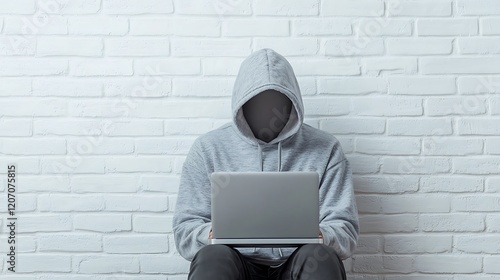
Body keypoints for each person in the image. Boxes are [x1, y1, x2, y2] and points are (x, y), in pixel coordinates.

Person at [173, 48, 359, 279]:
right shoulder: (208, 149)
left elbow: (345, 231)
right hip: (235, 264)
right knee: (213, 258)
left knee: (320, 257)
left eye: (278, 102)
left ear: (293, 104)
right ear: (241, 105)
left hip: (298, 264)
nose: (267, 111)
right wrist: (212, 233)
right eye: (256, 103)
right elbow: (185, 229)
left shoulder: (326, 149)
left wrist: (319, 235)